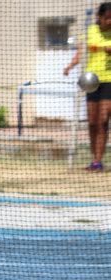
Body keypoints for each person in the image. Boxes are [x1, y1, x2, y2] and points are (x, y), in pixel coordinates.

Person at [64, 2, 111, 171]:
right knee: (92, 122)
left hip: (109, 80)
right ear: (99, 17)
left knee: (104, 119)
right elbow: (81, 53)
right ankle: (94, 160)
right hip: (91, 81)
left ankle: (99, 160)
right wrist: (70, 66)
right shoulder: (90, 31)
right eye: (106, 18)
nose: (109, 21)